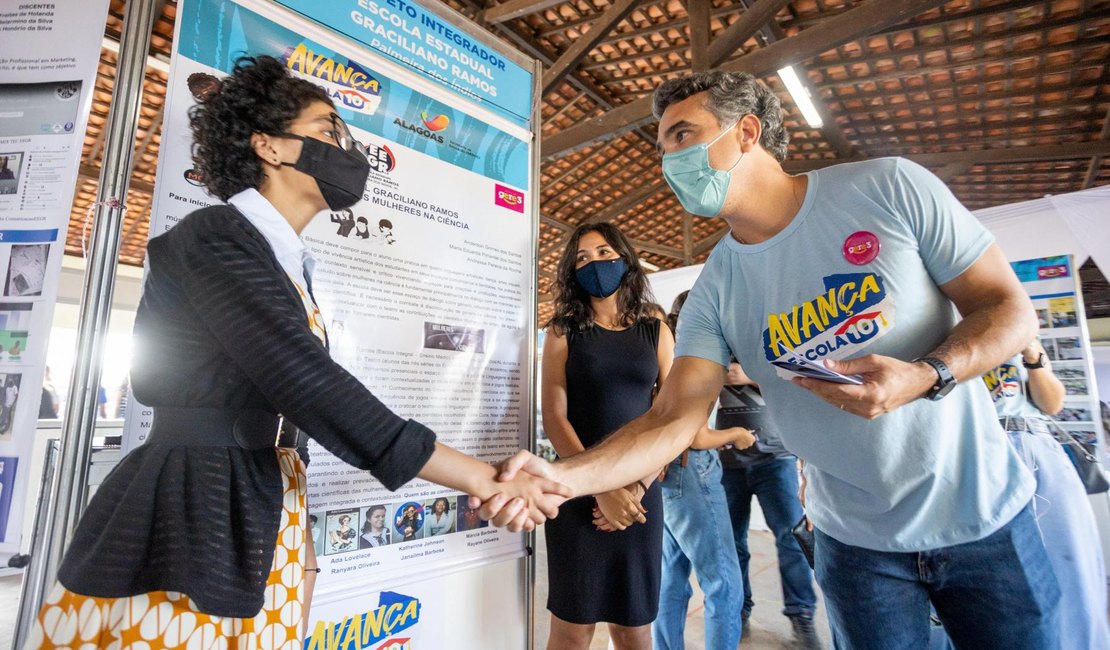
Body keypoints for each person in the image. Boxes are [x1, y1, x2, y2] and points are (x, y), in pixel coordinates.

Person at [490, 70, 1058, 649]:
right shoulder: (715, 286)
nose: (669, 162)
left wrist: (925, 375)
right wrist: (561, 477)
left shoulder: (888, 186)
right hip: (856, 551)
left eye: (683, 136)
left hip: (984, 522)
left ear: (747, 132)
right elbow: (671, 418)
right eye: (662, 149)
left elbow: (1009, 309)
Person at [29, 56, 567, 649]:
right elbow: (306, 382)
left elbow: (286, 410)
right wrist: (485, 478)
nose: (346, 147)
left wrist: (303, 553)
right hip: (196, 509)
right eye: (328, 130)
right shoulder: (214, 236)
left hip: (264, 504)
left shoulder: (285, 263)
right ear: (271, 147)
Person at [540, 222, 670, 650]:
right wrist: (598, 488)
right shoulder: (563, 331)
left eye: (602, 252)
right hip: (577, 492)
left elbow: (670, 417)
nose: (593, 263)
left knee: (634, 630)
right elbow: (556, 418)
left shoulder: (654, 326)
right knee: (573, 631)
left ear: (624, 258)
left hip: (640, 494)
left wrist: (634, 485)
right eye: (581, 258)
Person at [979, 336, 1110, 649]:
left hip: (1035, 442)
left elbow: (1052, 404)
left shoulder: (1017, 332)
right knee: (992, 574)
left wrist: (1033, 356)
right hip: (979, 450)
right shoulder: (938, 338)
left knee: (1071, 562)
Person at [653, 291, 754, 650]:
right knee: (724, 583)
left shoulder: (670, 353)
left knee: (671, 578)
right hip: (692, 471)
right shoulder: (699, 359)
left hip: (665, 475)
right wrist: (739, 434)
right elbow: (696, 436)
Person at [715, 358, 821, 648]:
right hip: (725, 463)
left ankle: (802, 614)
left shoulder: (761, 346)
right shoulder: (709, 346)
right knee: (732, 543)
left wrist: (748, 375)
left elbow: (796, 389)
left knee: (794, 538)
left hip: (777, 459)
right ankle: (740, 610)